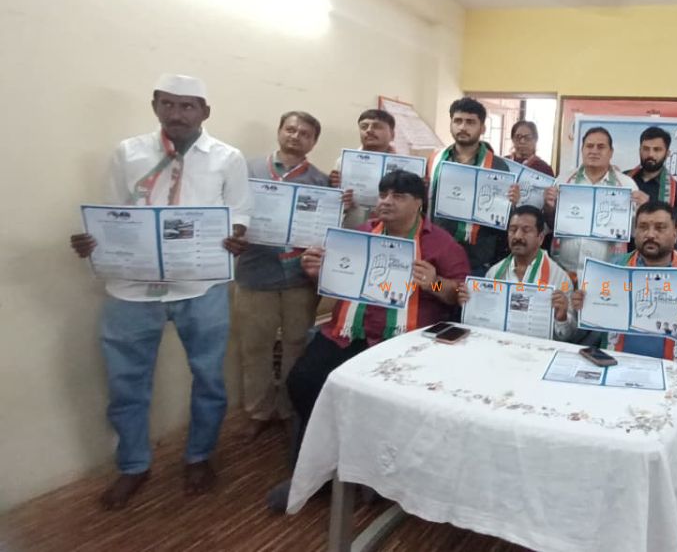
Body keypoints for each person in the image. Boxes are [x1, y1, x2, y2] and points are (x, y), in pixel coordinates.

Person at [68, 74, 252, 509]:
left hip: (200, 286)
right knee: (126, 382)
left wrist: (236, 235)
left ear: (205, 112)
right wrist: (96, 240)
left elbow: (240, 211)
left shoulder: (227, 157)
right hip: (133, 289)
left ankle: (199, 456)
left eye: (188, 106)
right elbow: (114, 213)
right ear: (155, 106)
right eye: (168, 104)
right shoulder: (128, 152)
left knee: (209, 378)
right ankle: (133, 465)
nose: (177, 113)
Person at [267, 169, 469, 512]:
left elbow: (458, 295)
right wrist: (317, 271)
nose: (387, 202)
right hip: (349, 333)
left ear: (419, 203)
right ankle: (315, 470)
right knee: (303, 381)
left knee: (387, 400)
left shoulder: (441, 243)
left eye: (398, 196)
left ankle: (372, 473)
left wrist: (434, 283)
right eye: (384, 194)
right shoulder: (359, 235)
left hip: (405, 342)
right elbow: (336, 281)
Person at [233, 111, 329, 440]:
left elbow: (327, 228)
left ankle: (289, 409)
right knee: (254, 347)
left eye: (305, 134)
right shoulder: (248, 170)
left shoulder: (321, 182)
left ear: (313, 142)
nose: (295, 136)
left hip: (299, 278)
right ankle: (258, 411)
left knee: (296, 345)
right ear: (279, 131)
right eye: (290, 129)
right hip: (255, 272)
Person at [570, 202, 677, 366]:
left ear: (675, 234)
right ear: (635, 232)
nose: (650, 234)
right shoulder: (612, 268)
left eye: (660, 228)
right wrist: (584, 306)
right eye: (643, 227)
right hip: (613, 362)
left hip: (668, 369)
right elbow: (591, 322)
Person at [427, 97, 517, 276]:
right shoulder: (435, 160)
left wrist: (512, 204)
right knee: (436, 289)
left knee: (465, 293)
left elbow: (503, 219)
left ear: (482, 128)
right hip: (437, 254)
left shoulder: (498, 166)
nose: (462, 127)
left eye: (470, 122)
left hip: (477, 260)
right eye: (457, 121)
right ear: (451, 124)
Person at [457, 205, 576, 341]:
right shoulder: (494, 273)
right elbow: (481, 324)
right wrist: (469, 305)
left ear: (540, 238)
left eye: (526, 230)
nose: (517, 236)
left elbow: (567, 336)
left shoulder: (560, 279)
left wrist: (562, 317)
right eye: (513, 230)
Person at [543, 127, 644, 276]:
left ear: (611, 152)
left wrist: (643, 210)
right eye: (589, 146)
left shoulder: (626, 185)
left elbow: (636, 232)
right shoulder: (563, 180)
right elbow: (550, 224)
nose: (594, 151)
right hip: (564, 270)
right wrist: (549, 207)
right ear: (582, 150)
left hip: (607, 272)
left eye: (601, 147)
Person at [329, 108, 397, 229]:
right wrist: (333, 191)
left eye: (377, 126)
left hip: (389, 231)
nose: (369, 130)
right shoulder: (343, 162)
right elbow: (332, 205)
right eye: (364, 127)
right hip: (351, 229)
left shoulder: (406, 168)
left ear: (392, 134)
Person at [627, 126, 677, 222]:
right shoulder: (623, 178)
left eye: (657, 149)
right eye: (646, 149)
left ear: (667, 153)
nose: (650, 154)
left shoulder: (676, 191)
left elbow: (673, 226)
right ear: (640, 150)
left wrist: (649, 206)